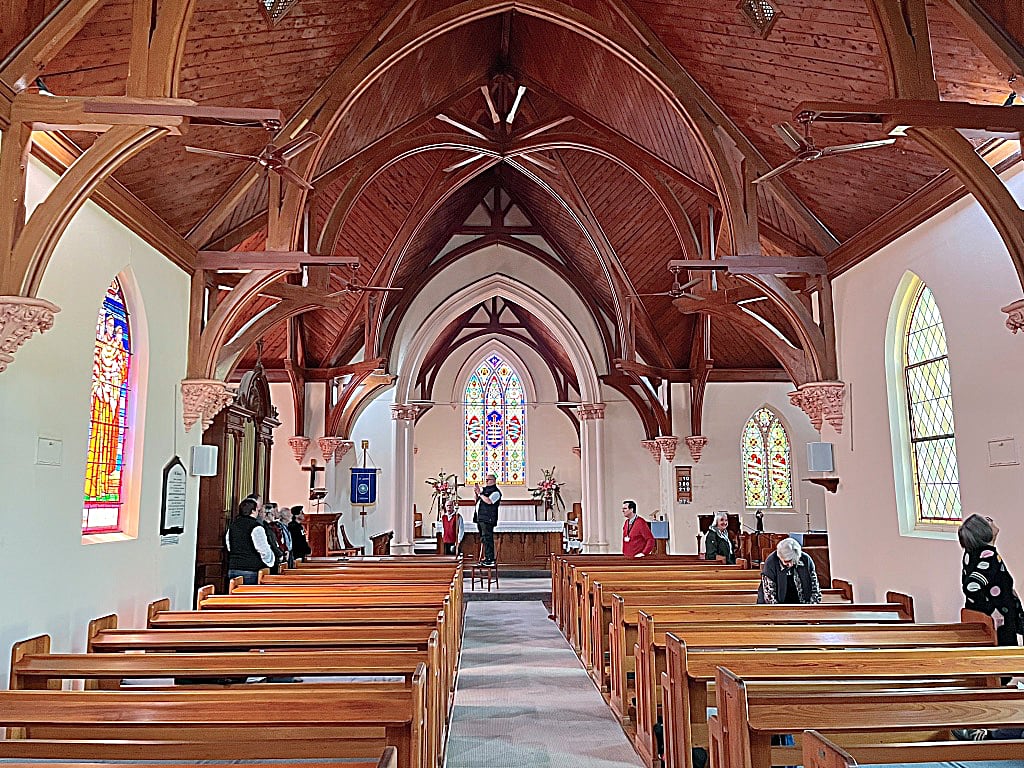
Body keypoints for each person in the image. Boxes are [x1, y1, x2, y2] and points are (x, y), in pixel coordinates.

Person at [958, 513, 1023, 647]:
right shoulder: (988, 556)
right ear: (982, 531)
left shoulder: (972, 552)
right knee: (1004, 661)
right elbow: (971, 586)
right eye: (987, 521)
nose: (991, 521)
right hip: (997, 623)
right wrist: (992, 611)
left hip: (989, 619)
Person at [225, 498, 275, 585]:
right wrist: (269, 562)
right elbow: (263, 550)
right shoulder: (256, 527)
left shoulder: (233, 526)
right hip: (251, 570)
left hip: (233, 567)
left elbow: (229, 546)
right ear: (253, 511)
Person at [757, 537, 821, 604]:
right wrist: (779, 612)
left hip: (802, 603)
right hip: (777, 605)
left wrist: (811, 607)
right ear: (780, 557)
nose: (790, 565)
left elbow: (815, 588)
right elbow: (769, 596)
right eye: (786, 561)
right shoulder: (771, 562)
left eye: (792, 560)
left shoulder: (806, 560)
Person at [474, 473, 501, 566]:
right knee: (484, 539)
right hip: (481, 518)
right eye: (485, 480)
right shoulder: (484, 491)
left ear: (493, 481)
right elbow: (477, 501)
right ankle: (486, 557)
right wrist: (476, 493)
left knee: (488, 538)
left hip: (488, 518)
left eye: (488, 480)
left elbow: (489, 501)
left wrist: (480, 493)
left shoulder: (496, 492)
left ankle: (490, 559)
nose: (486, 482)